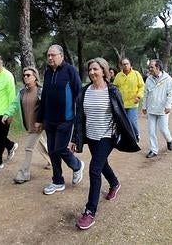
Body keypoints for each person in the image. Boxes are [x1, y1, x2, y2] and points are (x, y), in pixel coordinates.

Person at [71, 58, 140, 230]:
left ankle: (90, 211)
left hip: (107, 136)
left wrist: (123, 134)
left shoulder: (112, 91)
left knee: (94, 169)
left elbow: (120, 115)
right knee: (102, 165)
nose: (92, 72)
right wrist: (74, 138)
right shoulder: (84, 91)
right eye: (90, 69)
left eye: (95, 69)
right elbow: (79, 117)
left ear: (104, 71)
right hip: (91, 136)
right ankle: (115, 183)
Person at [35, 44, 84, 195]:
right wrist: (39, 119)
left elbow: (79, 94)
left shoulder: (70, 71)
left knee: (61, 148)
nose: (50, 58)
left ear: (61, 56)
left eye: (53, 55)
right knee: (52, 150)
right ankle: (57, 181)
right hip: (49, 120)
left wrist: (79, 118)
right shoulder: (48, 72)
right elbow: (44, 98)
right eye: (48, 55)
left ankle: (77, 165)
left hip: (66, 119)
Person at [2, 67, 52, 184]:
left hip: (38, 125)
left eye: (28, 75)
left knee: (28, 148)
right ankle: (53, 160)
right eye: (24, 75)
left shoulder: (41, 91)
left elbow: (48, 106)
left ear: (35, 77)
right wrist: (7, 114)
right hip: (28, 124)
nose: (25, 77)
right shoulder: (22, 92)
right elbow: (14, 105)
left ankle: (24, 173)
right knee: (40, 144)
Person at [142, 59, 172, 158]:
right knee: (151, 131)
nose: (150, 69)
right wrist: (144, 106)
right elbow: (146, 94)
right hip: (152, 109)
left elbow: (171, 94)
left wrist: (168, 106)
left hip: (163, 110)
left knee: (163, 129)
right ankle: (153, 150)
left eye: (152, 67)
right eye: (150, 67)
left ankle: (169, 140)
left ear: (158, 67)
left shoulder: (167, 79)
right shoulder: (149, 79)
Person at [113, 58, 145, 141]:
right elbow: (114, 87)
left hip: (133, 102)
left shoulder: (136, 74)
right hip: (121, 103)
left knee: (131, 120)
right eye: (123, 64)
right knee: (122, 121)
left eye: (127, 63)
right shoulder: (118, 76)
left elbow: (142, 86)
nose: (125, 65)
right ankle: (122, 137)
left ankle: (135, 135)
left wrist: (138, 96)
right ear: (121, 66)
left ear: (130, 65)